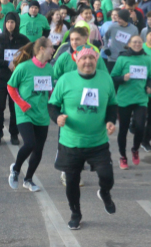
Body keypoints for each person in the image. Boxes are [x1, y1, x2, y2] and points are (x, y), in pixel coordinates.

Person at [49, 47, 118, 229]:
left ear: (96, 60)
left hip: (98, 141)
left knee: (107, 176)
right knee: (72, 181)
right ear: (77, 60)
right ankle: (75, 213)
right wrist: (57, 117)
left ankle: (104, 193)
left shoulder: (105, 78)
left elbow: (112, 104)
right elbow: (53, 105)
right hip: (71, 142)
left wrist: (110, 121)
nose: (87, 61)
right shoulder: (65, 80)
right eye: (83, 58)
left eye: (91, 58)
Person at [6, 37, 54, 192]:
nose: (53, 50)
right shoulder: (23, 68)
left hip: (42, 114)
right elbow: (11, 87)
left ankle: (28, 180)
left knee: (38, 150)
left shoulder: (49, 69)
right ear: (41, 49)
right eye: (51, 47)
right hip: (25, 113)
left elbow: (51, 91)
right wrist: (22, 104)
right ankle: (16, 169)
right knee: (30, 144)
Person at [111, 35, 151, 168]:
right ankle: (123, 156)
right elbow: (113, 77)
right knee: (123, 129)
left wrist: (149, 87)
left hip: (141, 98)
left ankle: (135, 149)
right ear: (129, 44)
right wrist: (123, 77)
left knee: (140, 127)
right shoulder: (123, 58)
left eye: (139, 42)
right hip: (124, 99)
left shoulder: (146, 58)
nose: (137, 44)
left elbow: (150, 77)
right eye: (134, 42)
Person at [0, 11, 30, 146]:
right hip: (1, 79)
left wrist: (18, 64)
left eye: (12, 22)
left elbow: (29, 58)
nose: (10, 24)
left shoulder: (24, 40)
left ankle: (14, 133)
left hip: (17, 81)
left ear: (17, 23)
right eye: (7, 22)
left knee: (14, 108)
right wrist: (7, 63)